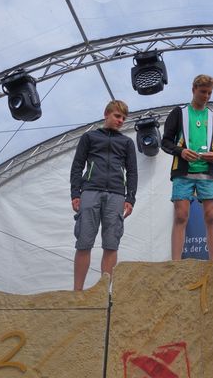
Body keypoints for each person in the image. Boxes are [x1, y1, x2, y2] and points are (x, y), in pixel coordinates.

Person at [70, 100, 138, 290]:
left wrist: (130, 198)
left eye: (123, 118)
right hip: (90, 191)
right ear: (106, 114)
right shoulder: (89, 137)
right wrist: (75, 193)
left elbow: (132, 172)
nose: (120, 121)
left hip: (116, 195)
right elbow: (77, 166)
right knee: (84, 242)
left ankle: (104, 292)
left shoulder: (127, 142)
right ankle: (77, 292)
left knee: (111, 244)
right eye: (117, 116)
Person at [161, 74, 213, 261]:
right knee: (181, 216)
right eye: (203, 92)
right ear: (193, 90)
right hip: (183, 172)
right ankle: (176, 263)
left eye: (209, 93)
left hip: (209, 172)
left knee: (212, 216)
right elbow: (165, 142)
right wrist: (180, 151)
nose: (206, 96)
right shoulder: (178, 113)